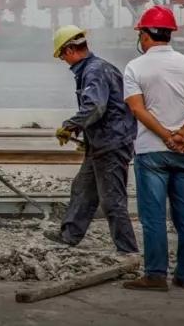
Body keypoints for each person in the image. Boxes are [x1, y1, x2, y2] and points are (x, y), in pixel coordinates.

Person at [121, 5, 184, 292]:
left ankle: (156, 275)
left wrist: (165, 136)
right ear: (170, 34)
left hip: (151, 152)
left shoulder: (135, 67)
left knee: (153, 216)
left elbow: (137, 108)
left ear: (146, 35)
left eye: (141, 34)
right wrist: (182, 134)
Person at [45, 26, 138, 253]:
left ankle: (127, 249)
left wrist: (71, 125)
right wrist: (84, 133)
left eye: (62, 56)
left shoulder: (94, 70)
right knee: (83, 188)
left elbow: (95, 106)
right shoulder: (97, 68)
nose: (64, 61)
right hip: (101, 142)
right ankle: (70, 235)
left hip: (111, 144)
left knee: (112, 200)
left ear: (70, 50)